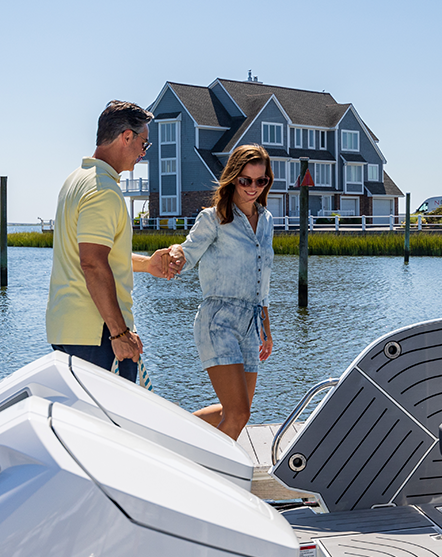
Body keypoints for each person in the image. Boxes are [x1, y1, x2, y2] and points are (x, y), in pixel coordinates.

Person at [46, 100, 175, 383]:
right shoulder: (104, 191)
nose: (144, 152)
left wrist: (148, 264)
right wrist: (119, 333)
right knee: (112, 425)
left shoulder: (75, 181)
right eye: (144, 144)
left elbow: (96, 254)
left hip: (66, 329)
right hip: (98, 334)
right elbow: (92, 262)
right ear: (126, 136)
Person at [168, 144, 274, 440]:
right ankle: (213, 476)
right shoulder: (214, 218)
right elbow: (187, 254)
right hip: (219, 321)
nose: (253, 187)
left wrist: (266, 328)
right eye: (246, 180)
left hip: (251, 323)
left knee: (240, 409)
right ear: (233, 178)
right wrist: (174, 254)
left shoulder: (266, 221)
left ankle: (171, 430)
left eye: (260, 181)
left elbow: (262, 279)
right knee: (238, 412)